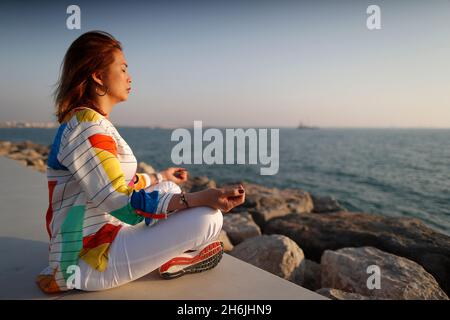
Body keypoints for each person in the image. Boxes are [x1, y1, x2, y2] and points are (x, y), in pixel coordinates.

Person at [36, 31, 245, 293]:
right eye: (122, 69)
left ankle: (170, 254)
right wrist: (198, 198)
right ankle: (176, 255)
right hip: (88, 259)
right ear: (98, 76)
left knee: (169, 190)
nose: (129, 76)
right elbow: (120, 202)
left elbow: (120, 182)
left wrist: (162, 177)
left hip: (105, 232)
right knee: (208, 219)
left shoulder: (91, 122)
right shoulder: (86, 129)